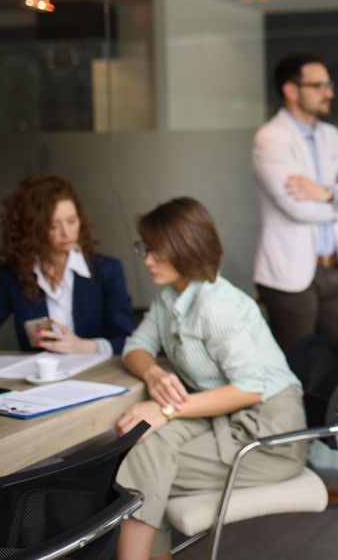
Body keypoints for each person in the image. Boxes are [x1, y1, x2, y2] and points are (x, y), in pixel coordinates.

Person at [115, 197, 307, 560]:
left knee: (139, 462)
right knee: (144, 443)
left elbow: (251, 388)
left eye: (155, 251)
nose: (147, 260)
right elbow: (135, 346)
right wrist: (153, 372)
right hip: (220, 418)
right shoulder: (170, 297)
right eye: (145, 249)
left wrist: (167, 410)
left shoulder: (216, 306)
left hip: (268, 437)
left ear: (186, 250)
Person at [252, 52, 338, 385]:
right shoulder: (270, 138)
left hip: (331, 269)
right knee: (294, 375)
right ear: (291, 91)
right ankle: (297, 432)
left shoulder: (330, 136)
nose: (329, 93)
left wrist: (326, 193)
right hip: (288, 276)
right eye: (318, 85)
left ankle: (310, 424)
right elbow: (299, 208)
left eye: (329, 85)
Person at [0, 173, 134, 355]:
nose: (66, 233)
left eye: (72, 221)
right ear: (33, 229)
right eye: (53, 225)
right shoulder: (14, 275)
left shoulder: (107, 271)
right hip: (39, 379)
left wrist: (86, 346)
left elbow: (128, 340)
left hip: (97, 375)